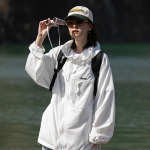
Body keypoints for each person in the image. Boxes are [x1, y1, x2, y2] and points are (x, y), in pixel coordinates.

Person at [25, 6, 115, 150]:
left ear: (89, 26)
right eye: (70, 22)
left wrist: (98, 134)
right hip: (50, 139)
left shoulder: (99, 59)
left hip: (80, 141)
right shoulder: (59, 54)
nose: (74, 25)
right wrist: (40, 38)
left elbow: (105, 97)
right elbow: (36, 71)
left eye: (79, 22)